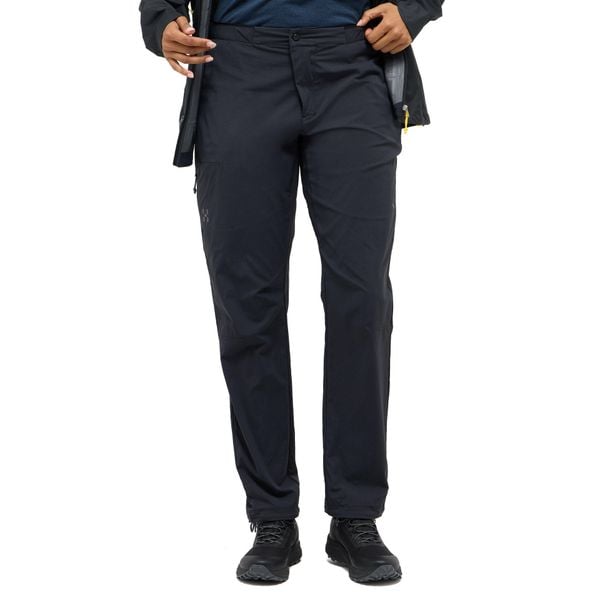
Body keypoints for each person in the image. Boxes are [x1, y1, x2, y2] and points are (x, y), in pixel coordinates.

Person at [139, 0, 443, 584]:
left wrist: (416, 7)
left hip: (356, 57)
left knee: (361, 300)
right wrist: (159, 16)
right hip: (234, 63)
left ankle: (355, 515)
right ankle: (272, 516)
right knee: (247, 303)